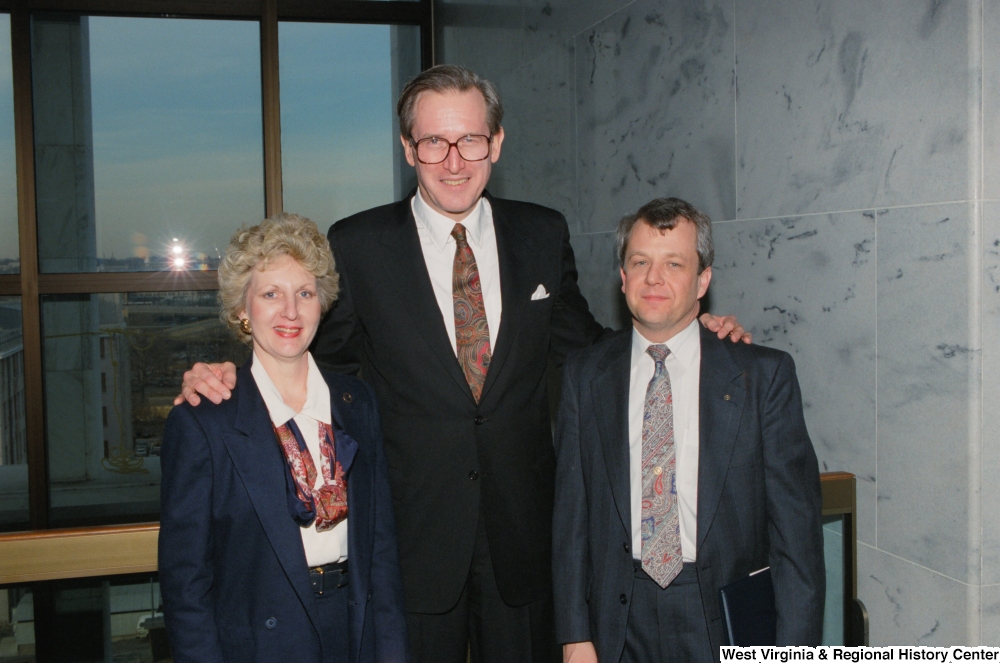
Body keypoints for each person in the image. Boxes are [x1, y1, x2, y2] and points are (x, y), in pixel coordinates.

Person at [175, 66, 749, 663]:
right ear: (408, 149)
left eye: (471, 139)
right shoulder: (359, 245)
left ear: (496, 142)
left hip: (522, 542)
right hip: (410, 545)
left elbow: (592, 351)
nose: (454, 161)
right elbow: (311, 365)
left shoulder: (540, 233)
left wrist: (688, 334)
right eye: (433, 142)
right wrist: (232, 377)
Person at [552, 198, 824, 663]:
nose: (653, 278)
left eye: (673, 263)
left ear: (703, 280)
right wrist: (575, 636)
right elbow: (571, 520)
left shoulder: (762, 378)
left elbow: (796, 542)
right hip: (618, 618)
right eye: (640, 262)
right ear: (622, 277)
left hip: (721, 615)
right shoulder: (584, 376)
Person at [159, 214, 409, 663]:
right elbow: (185, 582)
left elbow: (382, 554)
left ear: (323, 303)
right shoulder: (205, 421)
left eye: (305, 293)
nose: (290, 311)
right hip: (261, 641)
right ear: (242, 309)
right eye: (271, 294)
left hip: (355, 630)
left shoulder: (357, 403)